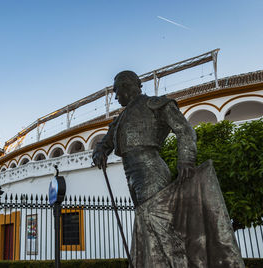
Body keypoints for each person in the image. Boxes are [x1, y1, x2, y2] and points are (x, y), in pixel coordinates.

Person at [93, 71, 244, 267]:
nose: (115, 97)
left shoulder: (155, 104)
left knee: (156, 223)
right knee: (146, 226)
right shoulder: (121, 119)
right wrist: (99, 153)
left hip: (151, 169)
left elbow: (185, 130)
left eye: (116, 91)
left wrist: (186, 160)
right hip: (131, 174)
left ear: (127, 86)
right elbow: (104, 143)